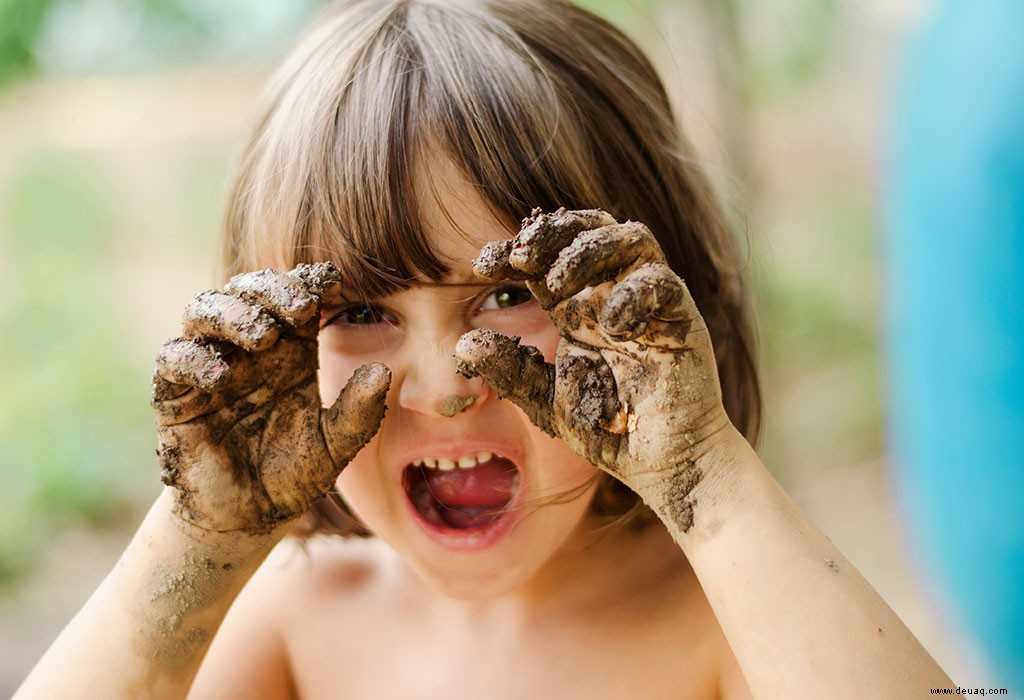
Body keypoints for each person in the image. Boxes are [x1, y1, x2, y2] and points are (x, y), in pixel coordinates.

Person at [17, 0, 953, 697]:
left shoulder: (732, 619)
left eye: (509, 295)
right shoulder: (296, 619)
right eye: (360, 314)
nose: (445, 387)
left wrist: (709, 486)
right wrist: (198, 542)